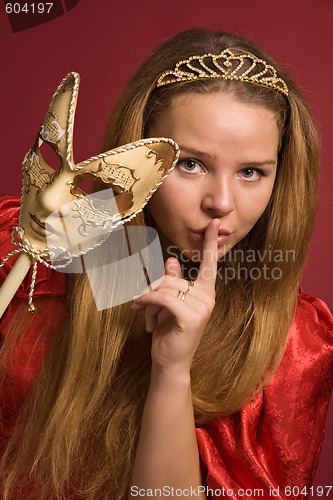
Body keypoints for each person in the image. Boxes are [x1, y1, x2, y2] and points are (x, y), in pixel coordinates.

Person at [0, 27, 332, 500]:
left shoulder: (295, 346)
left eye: (251, 172)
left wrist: (172, 373)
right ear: (137, 153)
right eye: (191, 163)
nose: (221, 202)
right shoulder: (28, 246)